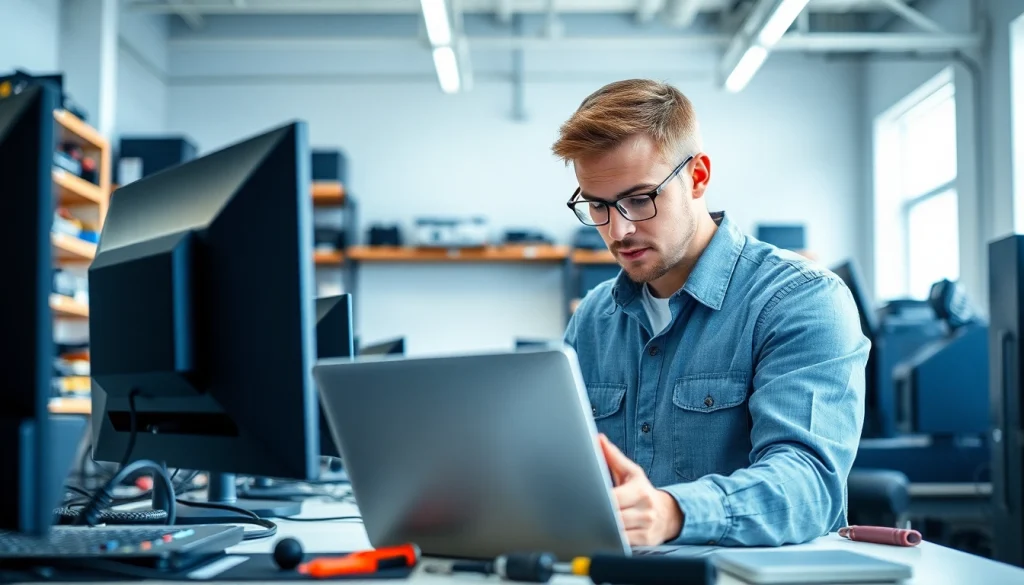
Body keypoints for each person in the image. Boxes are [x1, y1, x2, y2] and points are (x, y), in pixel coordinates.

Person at [554, 79, 869, 548]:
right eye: (598, 206)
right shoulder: (594, 318)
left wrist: (673, 514)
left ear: (698, 176)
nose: (619, 230)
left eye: (640, 199)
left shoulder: (802, 301)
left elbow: (809, 485)